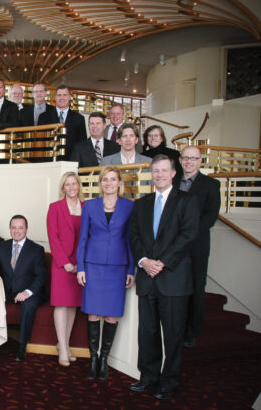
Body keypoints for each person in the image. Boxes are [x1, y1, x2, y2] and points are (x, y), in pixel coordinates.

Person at [129, 154, 199, 400]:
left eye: (164, 170)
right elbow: (134, 236)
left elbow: (188, 235)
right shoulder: (142, 203)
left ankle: (169, 383)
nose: (159, 175)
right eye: (155, 171)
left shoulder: (187, 201)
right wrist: (143, 261)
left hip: (173, 279)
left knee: (173, 335)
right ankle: (148, 378)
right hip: (147, 278)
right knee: (147, 333)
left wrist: (162, 262)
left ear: (173, 173)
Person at [76, 167, 135, 380]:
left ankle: (104, 360)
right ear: (100, 183)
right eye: (105, 180)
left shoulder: (130, 206)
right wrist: (81, 267)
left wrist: (131, 269)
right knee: (93, 313)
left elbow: (131, 239)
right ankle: (93, 359)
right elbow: (83, 238)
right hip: (93, 266)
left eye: (112, 179)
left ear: (119, 183)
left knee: (111, 315)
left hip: (118, 267)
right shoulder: (90, 205)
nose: (109, 183)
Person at [0, 215, 47, 362]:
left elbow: (41, 277)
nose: (17, 231)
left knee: (28, 306)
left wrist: (27, 292)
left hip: (31, 292)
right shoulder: (3, 246)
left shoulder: (36, 249)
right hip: (9, 291)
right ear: (10, 229)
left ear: (26, 229)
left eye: (20, 228)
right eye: (14, 227)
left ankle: (22, 345)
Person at [175, 146, 220, 348]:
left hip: (196, 245)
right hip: (172, 245)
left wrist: (187, 234)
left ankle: (191, 332)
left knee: (196, 287)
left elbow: (210, 216)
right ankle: (175, 327)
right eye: (186, 158)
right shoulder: (173, 182)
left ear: (200, 161)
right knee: (176, 287)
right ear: (180, 160)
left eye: (193, 158)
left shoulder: (211, 184)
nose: (189, 162)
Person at [46, 172, 85, 367]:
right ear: (63, 187)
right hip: (62, 264)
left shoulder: (87, 207)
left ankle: (65, 345)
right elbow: (52, 237)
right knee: (61, 305)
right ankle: (62, 346)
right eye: (67, 184)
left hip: (80, 263)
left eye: (74, 183)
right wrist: (65, 262)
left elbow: (89, 235)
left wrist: (81, 263)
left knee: (72, 306)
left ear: (79, 185)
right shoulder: (55, 207)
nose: (71, 187)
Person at [53, 85, 87, 160]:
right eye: (59, 95)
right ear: (55, 97)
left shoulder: (79, 118)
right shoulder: (44, 116)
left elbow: (82, 143)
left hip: (71, 160)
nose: (62, 98)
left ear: (69, 97)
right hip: (50, 160)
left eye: (65, 95)